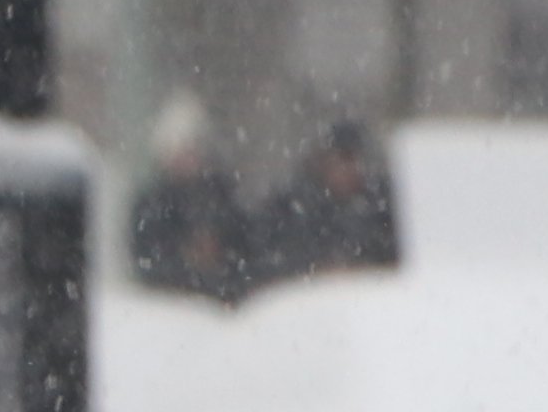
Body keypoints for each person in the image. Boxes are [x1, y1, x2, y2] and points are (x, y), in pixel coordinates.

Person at [126, 96, 250, 302]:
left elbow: (244, 252)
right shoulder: (151, 206)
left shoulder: (222, 197)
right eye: (179, 149)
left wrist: (217, 258)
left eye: (192, 148)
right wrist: (186, 258)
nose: (186, 158)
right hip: (170, 307)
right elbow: (147, 262)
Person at [251, 120, 398, 284]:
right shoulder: (293, 210)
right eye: (342, 159)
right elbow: (275, 261)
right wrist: (315, 268)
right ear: (324, 162)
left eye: (355, 160)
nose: (350, 169)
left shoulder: (381, 211)